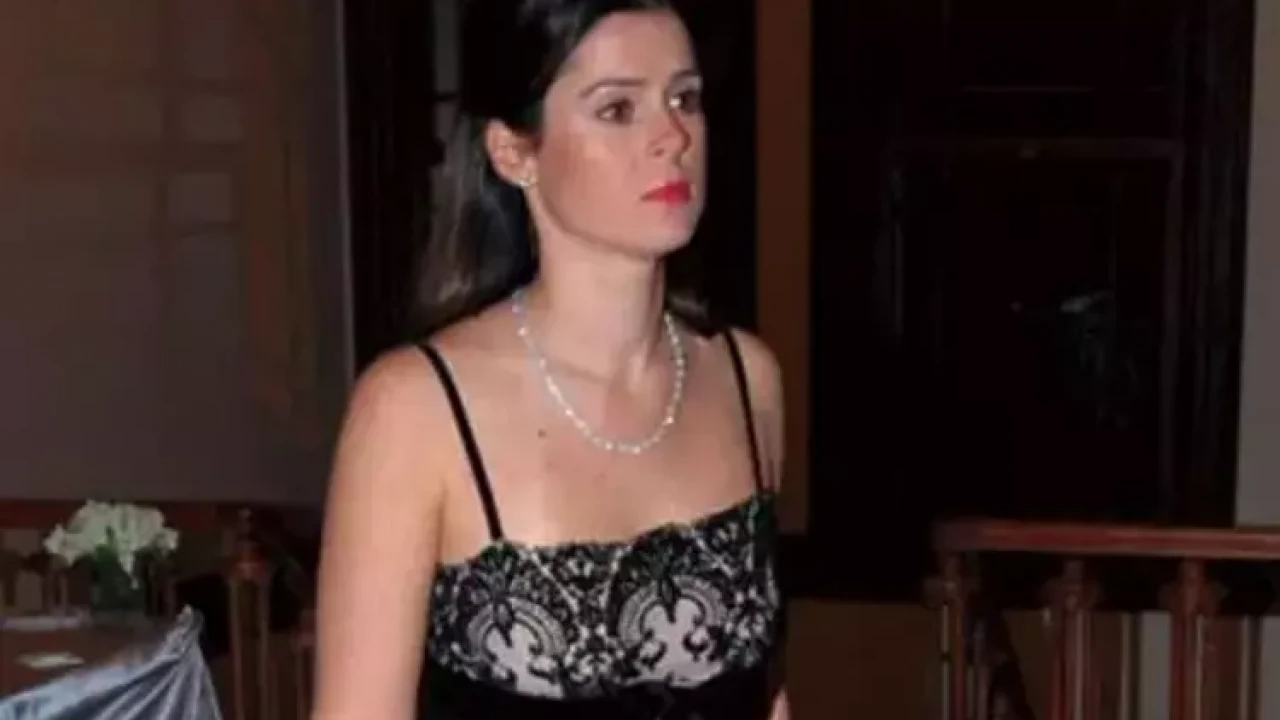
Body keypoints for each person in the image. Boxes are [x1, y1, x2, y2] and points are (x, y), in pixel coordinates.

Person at [310, 0, 789, 717]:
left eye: (685, 99)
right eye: (618, 109)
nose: (673, 136)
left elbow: (768, 694)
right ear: (514, 152)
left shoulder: (747, 380)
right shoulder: (414, 411)